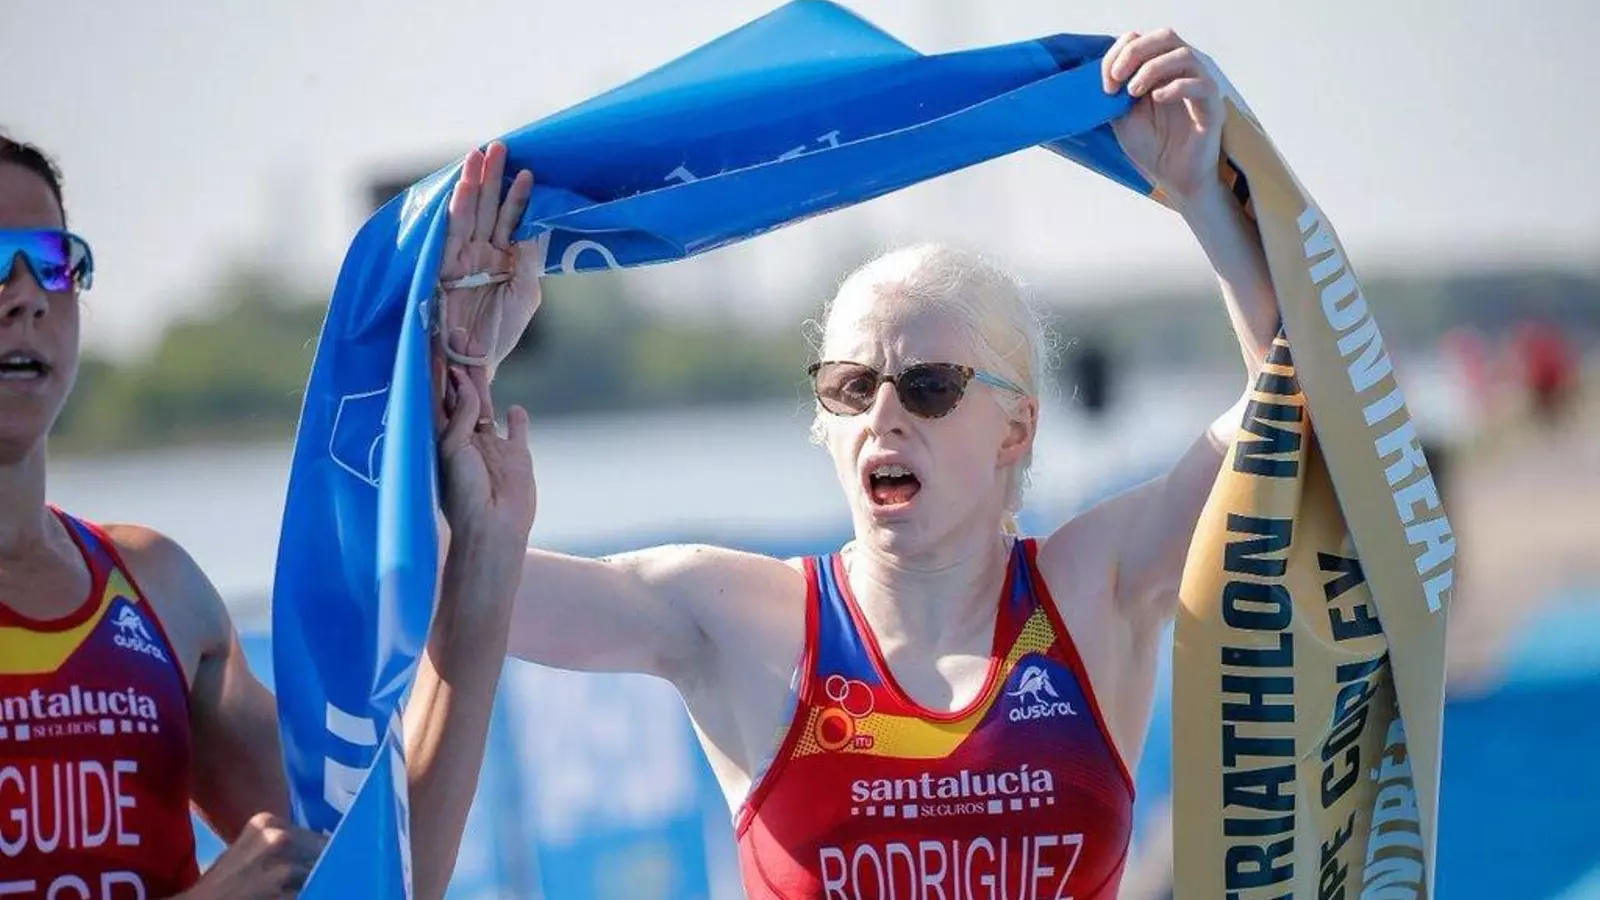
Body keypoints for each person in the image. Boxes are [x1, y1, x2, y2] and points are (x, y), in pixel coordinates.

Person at [444, 28, 1281, 899]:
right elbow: (433, 581)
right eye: (851, 386)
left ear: (1017, 430)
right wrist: (460, 356)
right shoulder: (740, 619)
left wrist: (1203, 199)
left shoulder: (1091, 591)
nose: (884, 415)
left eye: (929, 387)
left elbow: (1293, 410)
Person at [0, 132, 535, 900]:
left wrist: (485, 551)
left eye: (52, 261)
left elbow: (384, 881)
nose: (26, 294)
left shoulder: (158, 593)